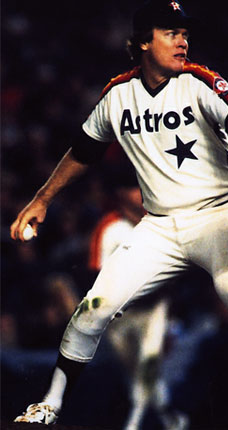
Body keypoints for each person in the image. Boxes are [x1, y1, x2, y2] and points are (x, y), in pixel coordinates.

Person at [10, 0, 228, 427]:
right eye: (170, 32)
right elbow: (84, 151)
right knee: (93, 307)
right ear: (143, 42)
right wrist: (41, 199)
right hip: (160, 225)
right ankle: (49, 405)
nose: (182, 40)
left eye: (184, 33)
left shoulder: (199, 81)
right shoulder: (117, 95)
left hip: (219, 213)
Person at [88, 166, 188, 430]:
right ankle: (172, 420)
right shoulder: (109, 227)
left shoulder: (161, 222)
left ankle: (134, 424)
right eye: (133, 188)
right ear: (121, 193)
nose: (139, 193)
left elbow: (176, 269)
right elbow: (96, 273)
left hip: (154, 308)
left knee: (147, 368)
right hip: (119, 314)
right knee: (135, 375)